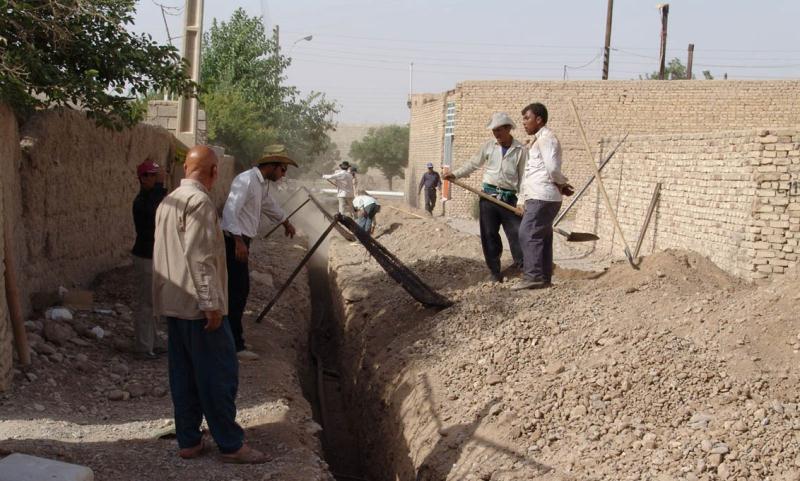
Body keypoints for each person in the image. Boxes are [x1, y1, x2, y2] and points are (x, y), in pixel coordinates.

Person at [152, 145, 267, 464]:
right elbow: (200, 257)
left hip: (174, 305)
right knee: (219, 375)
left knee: (184, 375)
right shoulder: (200, 203)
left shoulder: (169, 201)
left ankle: (189, 440)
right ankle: (231, 444)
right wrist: (211, 304)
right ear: (214, 171)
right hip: (199, 308)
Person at [220, 145, 297, 361]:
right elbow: (229, 212)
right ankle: (234, 345)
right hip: (234, 241)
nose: (283, 175)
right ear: (272, 166)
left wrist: (285, 222)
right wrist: (238, 241)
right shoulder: (245, 181)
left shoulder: (260, 185)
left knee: (237, 291)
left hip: (241, 240)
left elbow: (268, 204)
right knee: (237, 292)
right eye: (283, 170)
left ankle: (230, 339)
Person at [444, 112, 527, 283]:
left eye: (499, 130)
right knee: (489, 234)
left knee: (516, 233)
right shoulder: (489, 147)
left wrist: (522, 201)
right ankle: (494, 271)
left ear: (508, 129)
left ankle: (523, 268)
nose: (496, 134)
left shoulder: (520, 150)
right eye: (494, 131)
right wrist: (455, 174)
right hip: (488, 197)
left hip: (508, 198)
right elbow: (473, 163)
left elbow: (524, 178)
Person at [513, 103, 574, 290]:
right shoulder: (539, 140)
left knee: (527, 234)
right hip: (540, 196)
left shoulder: (547, 139)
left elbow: (553, 168)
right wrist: (522, 199)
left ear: (539, 119)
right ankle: (544, 277)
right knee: (542, 236)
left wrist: (562, 183)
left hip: (542, 197)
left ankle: (533, 276)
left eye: (527, 118)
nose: (524, 123)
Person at [130, 158, 167, 360]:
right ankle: (143, 347)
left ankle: (152, 341)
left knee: (155, 302)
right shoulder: (142, 202)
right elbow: (155, 209)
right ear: (142, 178)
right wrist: (161, 186)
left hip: (154, 255)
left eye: (155, 175)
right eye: (151, 176)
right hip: (145, 257)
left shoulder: (150, 198)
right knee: (146, 303)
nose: (154, 179)